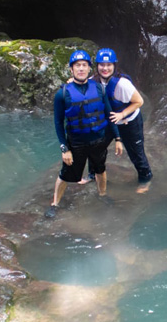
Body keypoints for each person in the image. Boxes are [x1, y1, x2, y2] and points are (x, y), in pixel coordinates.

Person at [44, 50, 123, 218]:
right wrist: (64, 148)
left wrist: (117, 138)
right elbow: (58, 123)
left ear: (89, 69)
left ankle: (102, 195)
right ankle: (55, 203)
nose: (81, 69)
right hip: (76, 143)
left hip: (98, 140)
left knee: (100, 169)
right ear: (71, 69)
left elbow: (110, 114)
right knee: (66, 174)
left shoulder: (99, 88)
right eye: (77, 66)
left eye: (84, 65)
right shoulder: (62, 93)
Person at [94, 47, 153, 194]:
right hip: (110, 121)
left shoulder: (122, 84)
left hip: (129, 122)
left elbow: (139, 101)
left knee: (136, 154)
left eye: (108, 65)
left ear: (114, 66)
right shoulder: (94, 81)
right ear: (97, 66)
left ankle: (145, 179)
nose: (105, 68)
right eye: (102, 65)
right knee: (96, 148)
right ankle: (92, 174)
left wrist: (122, 114)